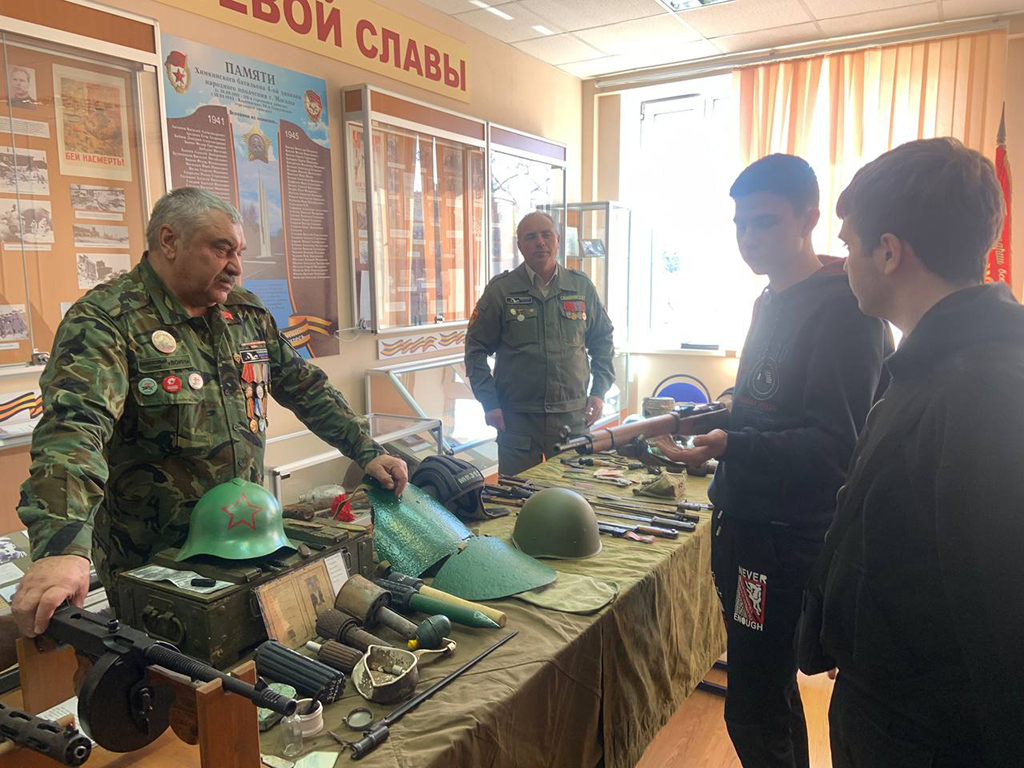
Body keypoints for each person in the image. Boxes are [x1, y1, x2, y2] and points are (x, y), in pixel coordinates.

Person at [13, 187, 407, 637]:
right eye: (221, 249)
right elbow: (74, 430)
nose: (236, 265)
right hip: (156, 557)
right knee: (164, 671)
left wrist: (365, 449)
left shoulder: (245, 313)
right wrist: (63, 546)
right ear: (169, 241)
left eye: (238, 252)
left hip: (247, 539)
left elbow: (304, 387)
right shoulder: (108, 320)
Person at [657, 155, 890, 768]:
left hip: (780, 544)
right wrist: (710, 419)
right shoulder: (768, 300)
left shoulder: (845, 309)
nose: (748, 238)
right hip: (741, 527)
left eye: (764, 222)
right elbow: (763, 404)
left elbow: (835, 447)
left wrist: (732, 444)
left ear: (809, 219)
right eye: (740, 224)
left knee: (752, 709)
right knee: (770, 696)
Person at [807, 138, 1024, 767]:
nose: (842, 263)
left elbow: (1003, 620)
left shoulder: (985, 390)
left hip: (930, 736)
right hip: (887, 709)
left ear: (888, 251)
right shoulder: (931, 361)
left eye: (848, 244)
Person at [464, 211, 615, 476]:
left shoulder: (581, 288)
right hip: (517, 419)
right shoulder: (501, 290)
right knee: (517, 493)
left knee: (573, 492)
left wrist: (599, 391)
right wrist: (490, 402)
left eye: (546, 235)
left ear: (558, 240)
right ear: (520, 245)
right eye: (531, 237)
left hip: (572, 416)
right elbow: (475, 349)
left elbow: (603, 342)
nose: (540, 242)